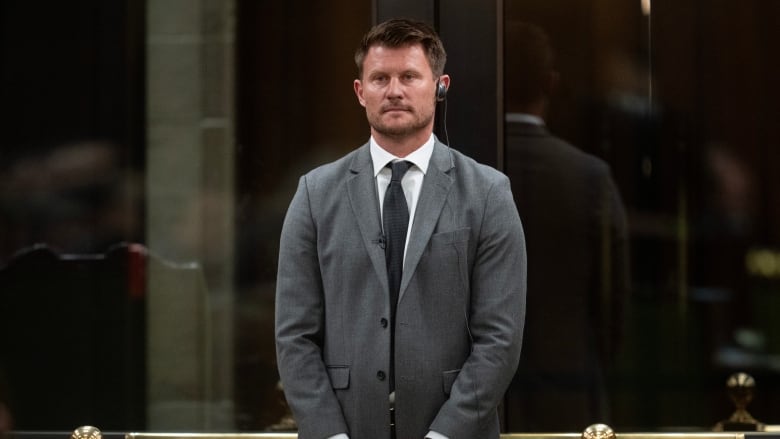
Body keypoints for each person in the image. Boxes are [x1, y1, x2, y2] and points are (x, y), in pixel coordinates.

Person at [275, 18, 527, 439]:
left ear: (440, 86)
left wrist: (444, 435)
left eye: (409, 76)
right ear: (360, 91)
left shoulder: (488, 194)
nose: (394, 90)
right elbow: (293, 335)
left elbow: (500, 340)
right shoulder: (314, 194)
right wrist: (329, 434)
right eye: (379, 78)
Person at [502, 22, 630, 431]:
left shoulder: (449, 176)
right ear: (551, 83)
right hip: (569, 396)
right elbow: (613, 301)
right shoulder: (589, 177)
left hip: (469, 404)